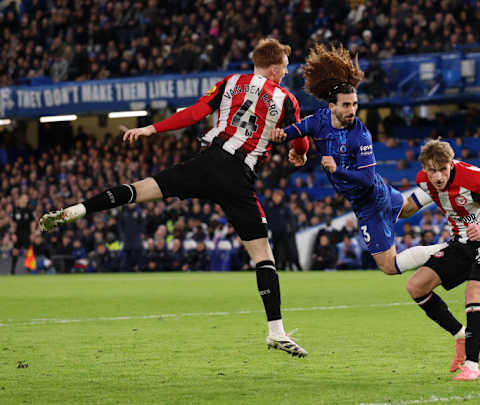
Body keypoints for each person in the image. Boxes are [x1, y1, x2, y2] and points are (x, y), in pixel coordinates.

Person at [37, 38, 309, 358]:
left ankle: (78, 209)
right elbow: (301, 140)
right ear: (276, 68)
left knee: (139, 190)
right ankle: (275, 331)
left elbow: (194, 113)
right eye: (285, 68)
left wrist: (151, 129)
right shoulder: (286, 98)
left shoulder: (230, 82)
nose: (286, 73)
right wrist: (298, 154)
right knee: (263, 257)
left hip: (207, 164)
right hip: (238, 179)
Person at [270, 43, 445, 275]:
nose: (352, 109)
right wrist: (282, 134)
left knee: (389, 266)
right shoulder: (320, 119)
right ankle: (440, 187)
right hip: (370, 195)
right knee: (406, 208)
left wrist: (336, 170)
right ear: (332, 107)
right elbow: (300, 128)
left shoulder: (360, 135)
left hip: (371, 201)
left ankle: (448, 249)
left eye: (354, 104)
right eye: (346, 105)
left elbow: (366, 178)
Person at [401, 140, 480, 381]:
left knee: (474, 294)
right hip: (461, 242)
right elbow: (408, 207)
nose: (438, 176)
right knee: (416, 287)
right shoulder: (423, 181)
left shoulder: (473, 178)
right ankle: (459, 335)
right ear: (424, 168)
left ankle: (472, 366)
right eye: (432, 170)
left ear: (451, 163)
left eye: (443, 169)